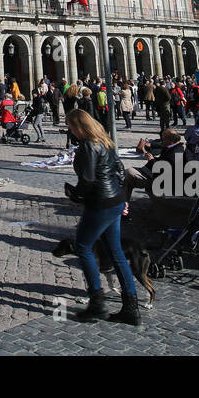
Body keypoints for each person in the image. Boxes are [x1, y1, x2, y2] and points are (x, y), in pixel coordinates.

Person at [66, 109, 140, 325]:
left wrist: (75, 194)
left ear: (79, 126)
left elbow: (88, 180)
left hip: (100, 202)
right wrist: (122, 198)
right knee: (116, 252)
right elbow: (119, 170)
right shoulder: (105, 140)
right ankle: (131, 308)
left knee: (83, 246)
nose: (70, 130)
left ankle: (97, 303)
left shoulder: (89, 145)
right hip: (114, 199)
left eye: (71, 126)